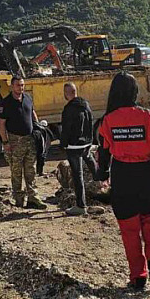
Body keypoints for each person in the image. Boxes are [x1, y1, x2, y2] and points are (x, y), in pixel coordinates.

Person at [97, 72, 150, 291]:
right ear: (134, 92)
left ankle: (138, 277)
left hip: (122, 176)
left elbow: (103, 154)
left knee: (129, 229)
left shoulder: (108, 120)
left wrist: (103, 177)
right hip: (146, 175)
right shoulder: (147, 116)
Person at [0, 76, 47, 210]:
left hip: (29, 140)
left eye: (22, 85)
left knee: (31, 170)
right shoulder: (6, 103)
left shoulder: (27, 98)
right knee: (16, 171)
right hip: (15, 142)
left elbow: (32, 112)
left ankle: (33, 198)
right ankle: (18, 200)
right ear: (12, 86)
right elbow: (1, 124)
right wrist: (5, 142)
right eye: (18, 85)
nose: (21, 87)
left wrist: (37, 127)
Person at [60, 82, 97, 216]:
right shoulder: (85, 105)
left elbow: (66, 130)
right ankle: (106, 185)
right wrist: (90, 141)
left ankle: (81, 206)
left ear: (66, 93)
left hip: (73, 146)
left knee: (78, 176)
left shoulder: (68, 109)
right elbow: (90, 123)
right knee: (93, 166)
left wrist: (62, 145)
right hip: (86, 144)